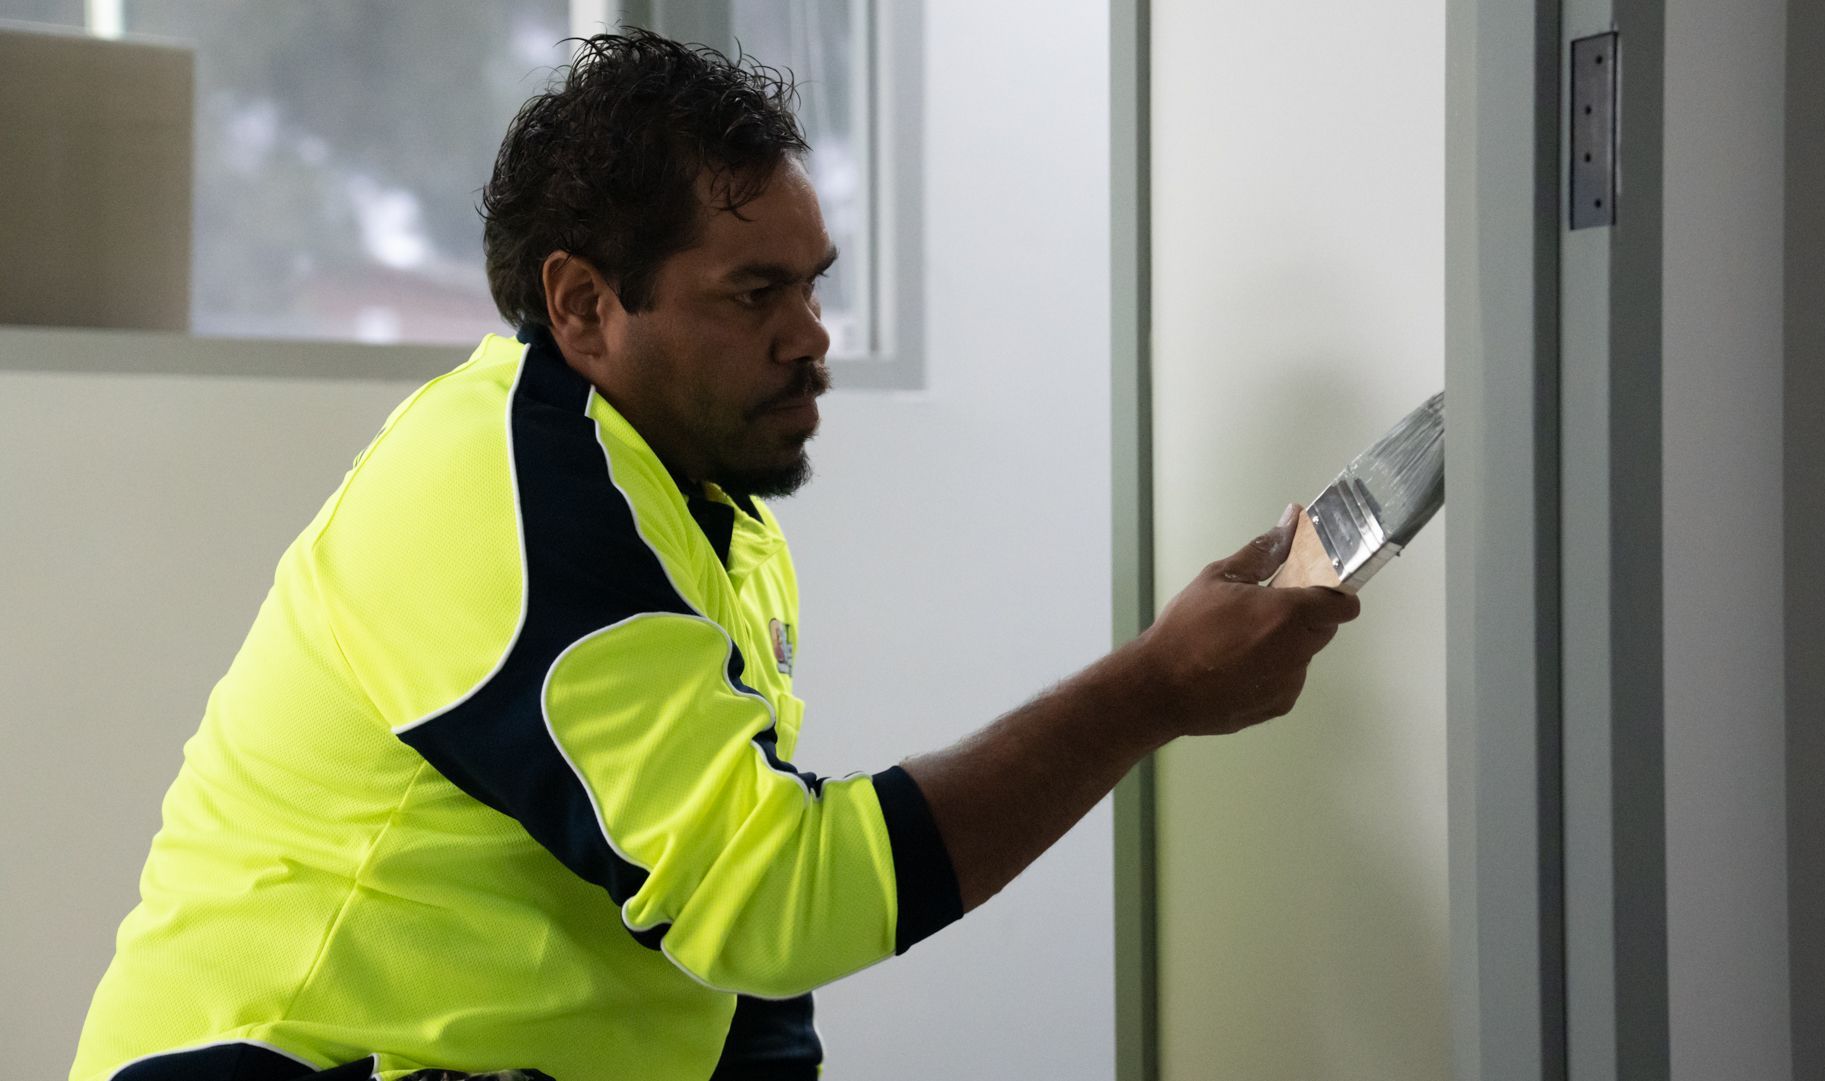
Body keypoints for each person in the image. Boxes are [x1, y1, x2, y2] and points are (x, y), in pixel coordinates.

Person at [68, 28, 1360, 1081]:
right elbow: (773, 895)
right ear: (583, 306)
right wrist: (1152, 691)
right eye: (756, 293)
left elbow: (722, 932)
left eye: (814, 283)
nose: (813, 335)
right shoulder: (514, 505)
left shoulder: (697, 506)